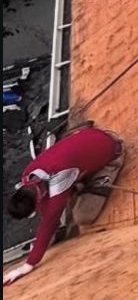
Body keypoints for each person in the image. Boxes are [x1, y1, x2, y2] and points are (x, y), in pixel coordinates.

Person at [3, 122, 125, 285]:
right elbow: (47, 211)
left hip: (111, 149)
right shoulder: (28, 174)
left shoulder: (59, 181)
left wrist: (27, 265)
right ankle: (81, 177)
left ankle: (103, 175)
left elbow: (49, 223)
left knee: (82, 216)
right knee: (60, 207)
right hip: (90, 137)